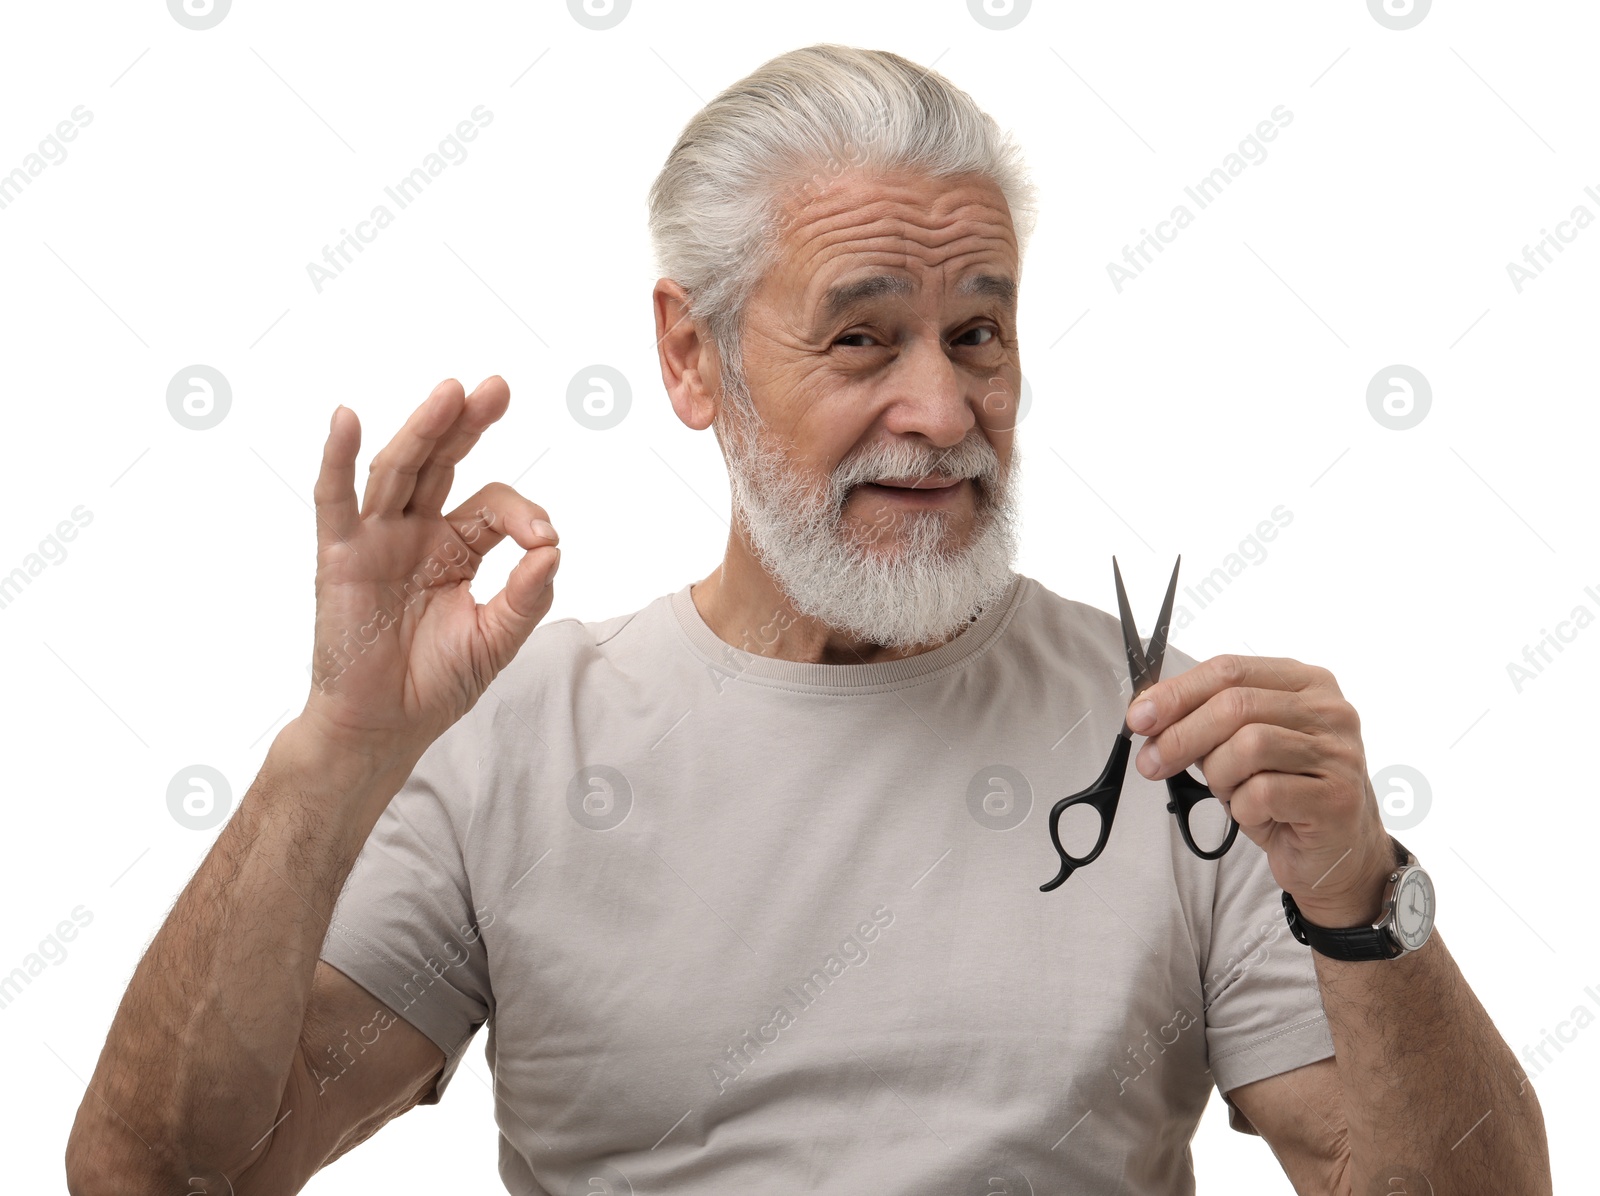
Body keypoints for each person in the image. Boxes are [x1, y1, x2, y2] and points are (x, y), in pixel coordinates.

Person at [66, 43, 1550, 1195]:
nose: (946, 408)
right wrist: (332, 752)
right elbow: (163, 1174)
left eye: (979, 332)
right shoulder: (516, 740)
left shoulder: (1178, 744)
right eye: (863, 336)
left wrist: (1361, 893)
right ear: (691, 357)